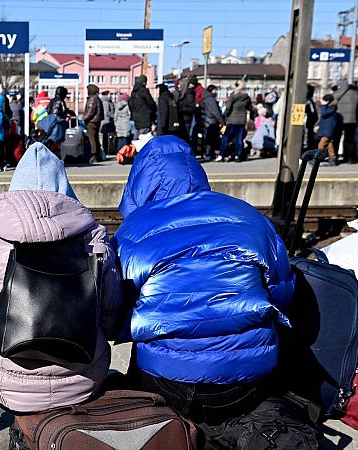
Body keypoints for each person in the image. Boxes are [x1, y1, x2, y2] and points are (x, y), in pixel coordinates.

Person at [0, 143, 122, 450]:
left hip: (8, 379)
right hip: (83, 376)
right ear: (64, 186)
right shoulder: (95, 236)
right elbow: (112, 323)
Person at [114, 135, 294, 430]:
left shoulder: (133, 229)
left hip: (166, 380)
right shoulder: (248, 215)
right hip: (245, 382)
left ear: (138, 182)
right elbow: (283, 291)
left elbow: (119, 308)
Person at [218, 80, 252, 162]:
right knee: (239, 139)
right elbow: (249, 108)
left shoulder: (232, 96)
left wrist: (225, 116)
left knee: (226, 137)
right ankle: (238, 155)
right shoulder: (246, 97)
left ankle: (222, 154)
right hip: (242, 120)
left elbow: (228, 108)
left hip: (232, 119)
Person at [333, 80, 358, 164]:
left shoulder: (337, 93)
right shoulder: (355, 93)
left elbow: (330, 100)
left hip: (339, 118)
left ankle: (335, 157)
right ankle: (350, 158)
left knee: (336, 138)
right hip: (352, 119)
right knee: (350, 139)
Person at [201, 84, 225, 162]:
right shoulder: (211, 100)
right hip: (211, 121)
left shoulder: (205, 98)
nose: (216, 92)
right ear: (212, 90)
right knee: (211, 139)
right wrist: (221, 121)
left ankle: (207, 154)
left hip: (206, 120)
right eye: (215, 90)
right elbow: (215, 112)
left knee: (208, 139)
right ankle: (209, 154)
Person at [129, 75, 157, 140]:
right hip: (145, 119)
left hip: (135, 119)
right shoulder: (144, 91)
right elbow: (151, 103)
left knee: (136, 140)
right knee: (145, 140)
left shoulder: (133, 93)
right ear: (144, 82)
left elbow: (130, 105)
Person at [83, 84, 104, 163]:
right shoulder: (97, 98)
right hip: (96, 121)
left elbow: (90, 111)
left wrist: (84, 118)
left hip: (92, 121)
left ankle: (93, 155)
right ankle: (98, 155)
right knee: (96, 138)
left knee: (91, 138)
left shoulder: (92, 99)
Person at [316, 94, 340, 166]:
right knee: (329, 145)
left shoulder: (331, 107)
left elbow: (323, 114)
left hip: (328, 130)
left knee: (321, 144)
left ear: (327, 101)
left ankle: (317, 158)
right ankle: (332, 158)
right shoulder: (330, 107)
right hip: (326, 129)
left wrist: (323, 105)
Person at [100, 90, 115, 155]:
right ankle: (107, 150)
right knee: (106, 137)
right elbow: (107, 112)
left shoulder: (105, 101)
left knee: (106, 137)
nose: (111, 95)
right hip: (106, 121)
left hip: (106, 121)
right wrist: (114, 116)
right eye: (110, 94)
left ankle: (107, 149)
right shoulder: (106, 102)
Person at [305, 85, 319, 151]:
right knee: (308, 136)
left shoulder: (310, 101)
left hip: (310, 121)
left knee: (309, 136)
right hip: (307, 121)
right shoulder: (307, 101)